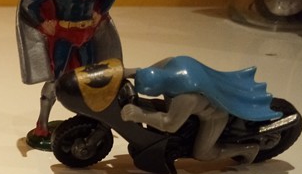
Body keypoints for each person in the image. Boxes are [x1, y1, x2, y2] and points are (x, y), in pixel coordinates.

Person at [17, 0, 122, 146]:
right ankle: (42, 124)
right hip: (63, 36)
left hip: (87, 36)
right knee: (56, 78)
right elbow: (28, 3)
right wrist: (42, 23)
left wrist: (100, 13)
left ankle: (88, 121)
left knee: (90, 78)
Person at [120, 56, 282, 163]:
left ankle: (247, 150)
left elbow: (169, 124)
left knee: (203, 153)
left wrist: (140, 115)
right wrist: (125, 72)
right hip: (211, 89)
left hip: (215, 115)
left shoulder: (185, 97)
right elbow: (145, 72)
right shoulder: (169, 64)